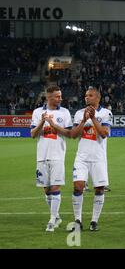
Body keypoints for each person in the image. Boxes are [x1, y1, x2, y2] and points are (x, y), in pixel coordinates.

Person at [31, 85, 73, 232]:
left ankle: (52, 219)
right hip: (41, 156)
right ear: (48, 97)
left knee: (55, 187)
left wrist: (53, 124)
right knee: (47, 190)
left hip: (57, 155)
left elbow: (69, 133)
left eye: (60, 95)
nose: (60, 98)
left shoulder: (65, 112)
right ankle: (57, 216)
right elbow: (33, 134)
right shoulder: (38, 112)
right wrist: (43, 121)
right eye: (57, 96)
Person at [70, 87, 113, 232]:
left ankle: (94, 221)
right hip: (81, 157)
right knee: (78, 186)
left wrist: (93, 118)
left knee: (99, 189)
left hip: (99, 158)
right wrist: (83, 120)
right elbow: (74, 135)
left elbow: (104, 133)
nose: (87, 98)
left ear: (98, 98)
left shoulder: (106, 113)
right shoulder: (78, 113)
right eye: (85, 96)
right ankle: (77, 220)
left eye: (90, 95)